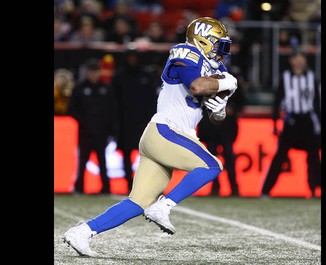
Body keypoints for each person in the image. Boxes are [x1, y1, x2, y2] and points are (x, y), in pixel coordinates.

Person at [63, 16, 238, 257]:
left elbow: (214, 116)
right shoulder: (186, 52)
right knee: (212, 165)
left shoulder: (217, 71)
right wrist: (225, 83)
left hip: (167, 136)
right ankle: (164, 206)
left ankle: (82, 232)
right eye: (218, 44)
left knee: (137, 202)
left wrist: (218, 111)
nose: (222, 51)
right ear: (203, 41)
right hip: (166, 131)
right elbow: (197, 87)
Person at [260, 50, 321, 198]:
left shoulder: (312, 77)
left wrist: (318, 124)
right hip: (292, 121)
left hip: (307, 120)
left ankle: (314, 190)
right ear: (291, 61)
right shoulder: (285, 77)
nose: (299, 62)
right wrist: (275, 123)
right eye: (297, 58)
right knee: (280, 156)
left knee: (313, 157)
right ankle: (265, 191)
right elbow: (277, 101)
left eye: (302, 59)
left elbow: (316, 103)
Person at [67, 58, 118, 194]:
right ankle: (79, 188)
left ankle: (106, 188)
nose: (93, 74)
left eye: (95, 71)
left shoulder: (106, 88)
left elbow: (112, 109)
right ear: (87, 72)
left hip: (102, 131)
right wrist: (84, 122)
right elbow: (71, 109)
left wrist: (110, 127)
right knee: (83, 160)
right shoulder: (79, 88)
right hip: (85, 131)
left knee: (102, 160)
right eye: (91, 71)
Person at [111, 50, 159, 194]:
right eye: (130, 58)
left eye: (134, 58)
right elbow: (113, 101)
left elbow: (153, 100)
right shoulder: (119, 77)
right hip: (125, 122)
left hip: (144, 122)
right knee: (126, 153)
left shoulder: (147, 76)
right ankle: (129, 183)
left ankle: (147, 185)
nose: (132, 61)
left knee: (148, 155)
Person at [197, 68, 246, 196]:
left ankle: (233, 188)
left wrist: (232, 108)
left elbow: (241, 101)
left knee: (228, 159)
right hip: (211, 128)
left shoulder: (231, 78)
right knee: (212, 160)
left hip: (226, 128)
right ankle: (215, 188)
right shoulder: (203, 75)